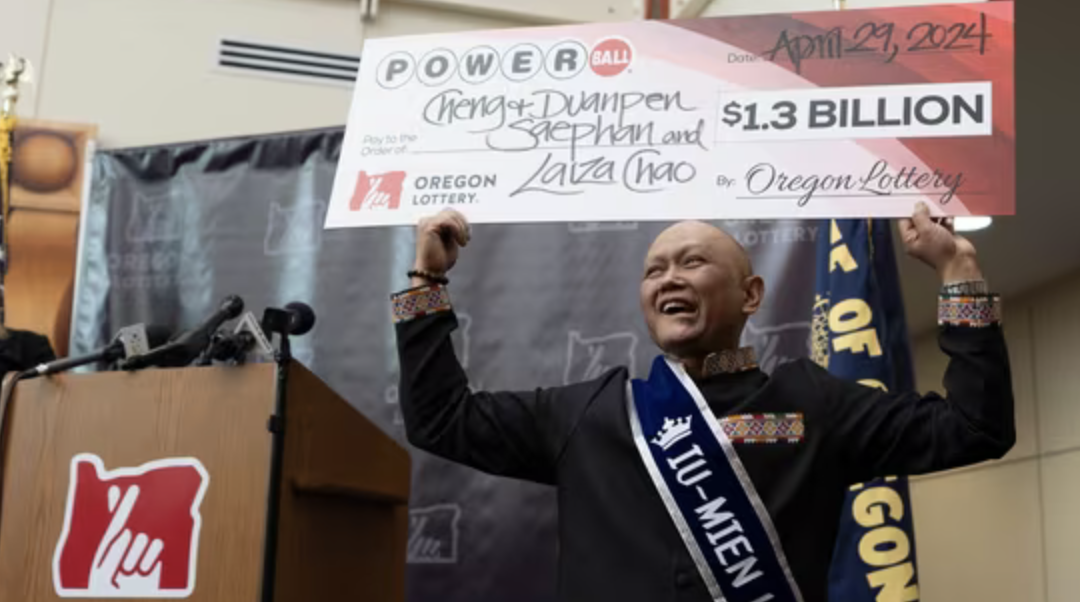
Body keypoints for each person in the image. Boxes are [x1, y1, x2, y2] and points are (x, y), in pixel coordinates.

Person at [392, 205, 1014, 602]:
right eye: (654, 270)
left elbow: (976, 426)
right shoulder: (589, 413)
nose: (669, 278)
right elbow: (443, 419)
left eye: (692, 262)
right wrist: (428, 281)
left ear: (751, 294)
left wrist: (959, 269)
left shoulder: (813, 402)